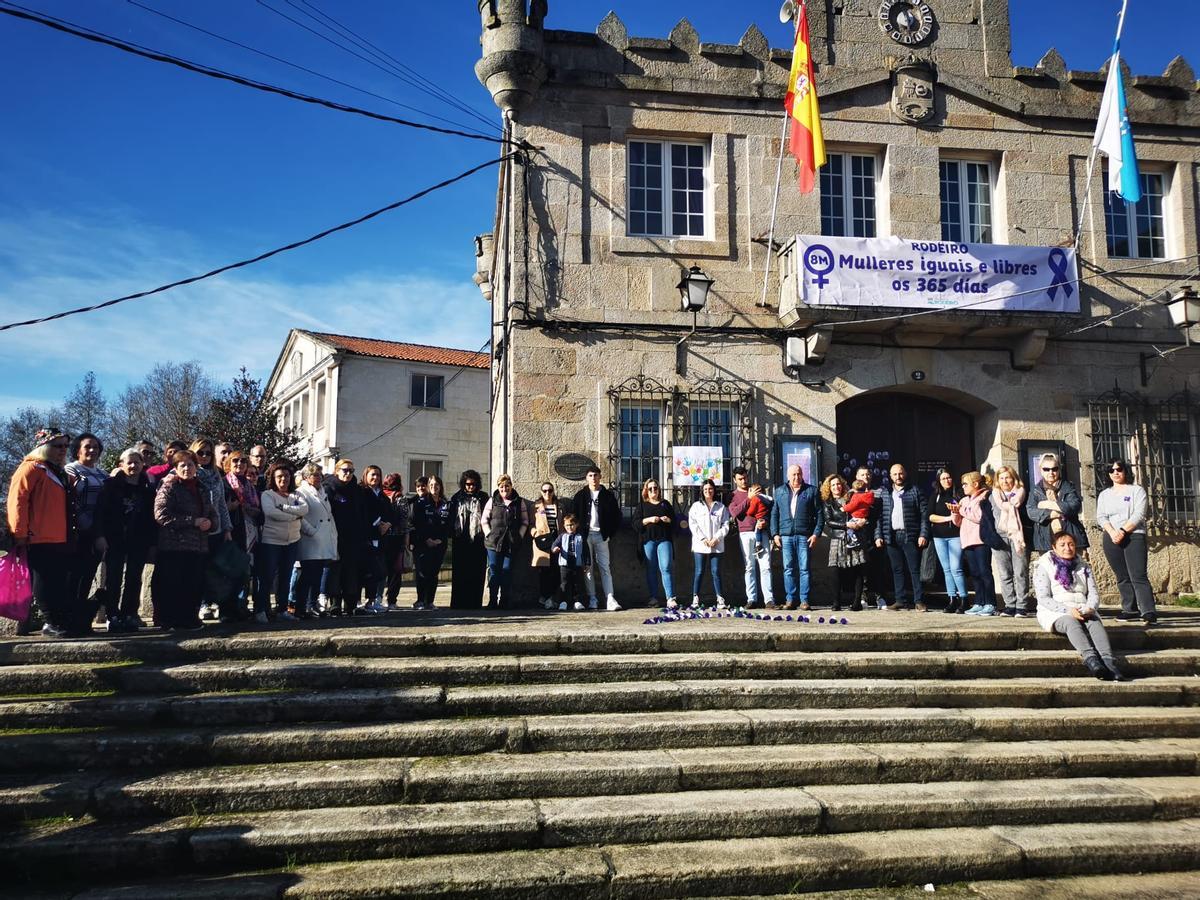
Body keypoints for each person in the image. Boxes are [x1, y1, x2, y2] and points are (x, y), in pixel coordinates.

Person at [6, 429, 80, 637]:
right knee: (44, 581)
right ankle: (50, 621)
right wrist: (19, 532)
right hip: (38, 536)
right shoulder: (30, 468)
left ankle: (59, 619)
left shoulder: (58, 471)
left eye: (66, 446)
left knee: (58, 580)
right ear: (44, 447)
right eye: (58, 446)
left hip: (61, 536)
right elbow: (17, 501)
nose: (63, 450)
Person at [1034, 531, 1128, 681]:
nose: (1067, 548)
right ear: (1054, 547)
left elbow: (1093, 593)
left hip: (1082, 606)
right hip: (1055, 610)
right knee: (1070, 622)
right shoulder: (1044, 566)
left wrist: (1090, 607)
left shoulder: (1083, 566)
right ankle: (1092, 660)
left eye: (1071, 544)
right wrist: (1068, 610)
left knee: (1095, 622)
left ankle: (1109, 663)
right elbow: (1044, 598)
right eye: (1062, 545)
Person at [151, 449, 215, 631]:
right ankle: (170, 621)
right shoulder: (169, 487)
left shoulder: (202, 488)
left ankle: (189, 619)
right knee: (173, 585)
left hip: (198, 546)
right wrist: (192, 521)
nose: (187, 468)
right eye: (182, 465)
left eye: (190, 465)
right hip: (174, 546)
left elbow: (211, 512)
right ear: (176, 468)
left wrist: (211, 523)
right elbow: (161, 515)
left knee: (193, 585)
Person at [96, 448, 156, 633]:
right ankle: (112, 614)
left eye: (136, 462)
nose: (133, 465)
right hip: (115, 538)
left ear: (142, 464)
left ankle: (130, 613)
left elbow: (151, 517)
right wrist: (100, 536)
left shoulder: (147, 488)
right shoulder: (110, 486)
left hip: (139, 539)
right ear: (121, 465)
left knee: (134, 577)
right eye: (129, 462)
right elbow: (101, 513)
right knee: (113, 577)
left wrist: (153, 541)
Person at [1097, 458, 1157, 625]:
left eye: (1119, 469)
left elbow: (1139, 514)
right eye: (1111, 470)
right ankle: (1129, 609)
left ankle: (1148, 611)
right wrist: (1112, 532)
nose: (1115, 472)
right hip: (1111, 537)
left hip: (1133, 535)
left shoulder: (1136, 491)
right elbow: (1101, 517)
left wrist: (1123, 531)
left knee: (1138, 575)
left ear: (1125, 471)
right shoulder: (1104, 495)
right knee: (1122, 576)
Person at [64, 432, 108, 626]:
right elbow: (70, 501)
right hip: (77, 532)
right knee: (73, 575)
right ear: (77, 450)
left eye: (96, 448)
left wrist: (99, 532)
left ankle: (81, 618)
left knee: (88, 575)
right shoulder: (70, 470)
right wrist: (85, 526)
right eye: (87, 447)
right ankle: (68, 618)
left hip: (98, 532)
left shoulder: (103, 474)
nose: (92, 450)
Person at [256, 461, 308, 623]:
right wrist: (294, 515)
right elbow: (271, 513)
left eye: (286, 476)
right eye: (279, 476)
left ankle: (282, 609)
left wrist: (284, 508)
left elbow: (304, 509)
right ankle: (261, 610)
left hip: (292, 541)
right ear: (273, 478)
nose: (283, 479)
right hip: (272, 542)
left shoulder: (297, 495)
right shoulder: (268, 495)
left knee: (285, 577)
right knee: (267, 577)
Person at [874, 463, 929, 611]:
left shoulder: (915, 491)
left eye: (900, 473)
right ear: (890, 476)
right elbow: (879, 517)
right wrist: (878, 535)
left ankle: (919, 601)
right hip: (891, 536)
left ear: (905, 473)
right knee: (896, 569)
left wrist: (923, 534)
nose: (898, 477)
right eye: (895, 474)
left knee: (914, 569)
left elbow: (924, 514)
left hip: (910, 535)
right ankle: (900, 600)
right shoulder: (885, 493)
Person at [771, 464, 824, 611]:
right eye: (793, 474)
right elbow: (774, 514)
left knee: (804, 569)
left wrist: (816, 534)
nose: (796, 477)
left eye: (799, 474)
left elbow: (820, 515)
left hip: (804, 535)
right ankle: (790, 600)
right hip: (786, 536)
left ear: (803, 475)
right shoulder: (779, 491)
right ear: (788, 476)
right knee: (788, 568)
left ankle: (804, 600)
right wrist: (775, 533)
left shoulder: (811, 491)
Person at [191, 438, 233, 622]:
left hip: (217, 530)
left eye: (209, 453)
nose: (205, 456)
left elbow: (222, 504)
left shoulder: (216, 476)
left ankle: (215, 603)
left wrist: (227, 528)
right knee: (199, 569)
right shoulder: (191, 473)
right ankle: (201, 604)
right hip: (198, 530)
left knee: (217, 570)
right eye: (201, 453)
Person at [572, 466, 623, 611]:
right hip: (585, 536)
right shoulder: (580, 496)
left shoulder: (608, 496)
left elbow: (616, 517)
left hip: (602, 536)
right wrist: (579, 535)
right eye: (590, 475)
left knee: (605, 567)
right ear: (586, 478)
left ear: (600, 477)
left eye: (595, 475)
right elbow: (573, 515)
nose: (593, 478)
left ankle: (610, 598)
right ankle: (592, 598)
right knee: (588, 568)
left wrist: (609, 535)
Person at [325, 459, 368, 617]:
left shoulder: (357, 490)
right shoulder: (330, 488)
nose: (348, 473)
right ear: (337, 471)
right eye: (345, 470)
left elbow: (362, 513)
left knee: (352, 572)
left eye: (351, 470)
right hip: (335, 536)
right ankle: (335, 603)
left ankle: (350, 604)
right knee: (335, 570)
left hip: (354, 538)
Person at [295, 463, 338, 618]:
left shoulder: (322, 492)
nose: (319, 478)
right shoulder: (300, 492)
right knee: (307, 576)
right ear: (307, 477)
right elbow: (299, 516)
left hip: (323, 540)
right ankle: (301, 607)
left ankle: (312, 605)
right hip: (310, 540)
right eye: (315, 475)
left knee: (317, 576)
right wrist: (312, 531)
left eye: (320, 475)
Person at [727, 467, 774, 609]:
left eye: (745, 478)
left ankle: (769, 600)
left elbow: (768, 508)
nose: (743, 481)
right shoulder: (732, 496)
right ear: (734, 480)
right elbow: (735, 512)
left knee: (765, 566)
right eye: (740, 479)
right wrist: (748, 498)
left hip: (762, 531)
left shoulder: (757, 490)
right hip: (745, 533)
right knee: (749, 567)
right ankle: (752, 598)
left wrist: (765, 520)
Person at [820, 474, 867, 611]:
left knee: (857, 569)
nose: (836, 487)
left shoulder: (851, 497)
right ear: (829, 487)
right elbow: (829, 521)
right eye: (833, 485)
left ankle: (857, 602)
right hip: (838, 538)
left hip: (854, 537)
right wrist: (846, 525)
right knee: (835, 570)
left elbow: (861, 511)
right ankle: (836, 602)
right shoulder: (828, 503)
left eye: (838, 484)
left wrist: (862, 521)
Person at [954, 471, 998, 616]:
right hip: (967, 541)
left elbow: (979, 517)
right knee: (975, 573)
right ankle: (979, 602)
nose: (963, 487)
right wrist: (955, 512)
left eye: (965, 484)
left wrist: (962, 510)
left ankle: (990, 603)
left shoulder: (985, 496)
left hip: (980, 540)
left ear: (975, 484)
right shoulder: (964, 500)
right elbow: (957, 522)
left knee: (984, 571)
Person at [481, 474, 528, 609]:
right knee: (494, 572)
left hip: (511, 542)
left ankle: (504, 600)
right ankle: (492, 600)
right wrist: (489, 533)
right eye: (501, 486)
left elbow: (525, 521)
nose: (504, 489)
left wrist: (519, 535)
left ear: (511, 486)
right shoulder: (492, 501)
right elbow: (484, 520)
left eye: (507, 486)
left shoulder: (519, 502)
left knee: (507, 571)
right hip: (493, 543)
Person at [1026, 453, 1088, 556]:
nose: (1051, 472)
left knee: (1075, 570)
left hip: (1071, 537)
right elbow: (1031, 511)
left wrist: (1047, 504)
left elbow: (1074, 506)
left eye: (1054, 469)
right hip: (1045, 540)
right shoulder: (1035, 490)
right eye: (1046, 469)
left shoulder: (1068, 486)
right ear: (1041, 470)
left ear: (1059, 469)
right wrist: (1052, 514)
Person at [991, 465, 1033, 617]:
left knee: (1020, 572)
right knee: (1004, 573)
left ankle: (1022, 606)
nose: (1004, 481)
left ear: (1014, 478)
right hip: (1000, 537)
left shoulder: (1023, 494)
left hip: (1019, 538)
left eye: (1007, 477)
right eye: (1001, 478)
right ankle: (1009, 605)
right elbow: (988, 517)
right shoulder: (993, 496)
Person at [928, 468, 968, 614]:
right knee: (946, 569)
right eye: (943, 478)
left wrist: (955, 514)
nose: (947, 480)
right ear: (939, 481)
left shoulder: (958, 494)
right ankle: (952, 599)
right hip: (939, 536)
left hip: (955, 535)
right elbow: (931, 516)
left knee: (956, 568)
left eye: (949, 477)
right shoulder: (935, 496)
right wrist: (947, 519)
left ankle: (964, 598)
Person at [449, 470, 489, 609]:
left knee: (476, 572)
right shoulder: (456, 498)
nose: (470, 487)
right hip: (460, 540)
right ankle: (459, 603)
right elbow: (451, 518)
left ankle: (475, 602)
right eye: (468, 484)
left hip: (478, 541)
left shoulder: (483, 498)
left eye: (473, 484)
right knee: (460, 573)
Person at [637, 478, 679, 609]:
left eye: (655, 488)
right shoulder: (643, 506)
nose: (653, 490)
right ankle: (653, 598)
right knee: (651, 569)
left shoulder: (665, 504)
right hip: (648, 540)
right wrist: (648, 520)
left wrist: (668, 520)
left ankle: (670, 598)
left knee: (666, 567)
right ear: (646, 491)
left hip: (664, 539)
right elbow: (635, 523)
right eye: (650, 489)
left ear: (659, 490)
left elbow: (675, 523)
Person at [688, 479, 730, 608]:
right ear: (702, 491)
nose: (708, 491)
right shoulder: (696, 506)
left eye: (710, 489)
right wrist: (703, 539)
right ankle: (695, 597)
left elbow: (725, 525)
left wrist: (717, 538)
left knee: (716, 571)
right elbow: (693, 524)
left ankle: (720, 598)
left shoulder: (721, 507)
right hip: (701, 544)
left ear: (714, 490)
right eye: (705, 489)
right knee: (699, 571)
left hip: (716, 544)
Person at [411, 474, 451, 609]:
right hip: (423, 543)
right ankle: (420, 600)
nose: (434, 487)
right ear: (428, 487)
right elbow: (417, 523)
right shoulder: (420, 503)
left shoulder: (446, 504)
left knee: (433, 573)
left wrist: (439, 540)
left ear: (441, 487)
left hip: (439, 544)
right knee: (422, 572)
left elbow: (448, 525)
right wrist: (427, 539)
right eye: (432, 485)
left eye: (437, 485)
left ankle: (430, 601)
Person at [359, 465, 394, 614]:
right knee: (368, 571)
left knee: (379, 571)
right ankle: (362, 601)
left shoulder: (382, 495)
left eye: (378, 475)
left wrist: (387, 524)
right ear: (366, 476)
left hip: (381, 538)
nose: (375, 478)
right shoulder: (362, 492)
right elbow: (362, 514)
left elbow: (391, 513)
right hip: (367, 537)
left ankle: (372, 600)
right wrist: (377, 524)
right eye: (372, 475)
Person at [855, 465, 889, 609]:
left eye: (868, 474)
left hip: (874, 534)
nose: (866, 477)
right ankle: (863, 596)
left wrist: (879, 535)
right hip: (857, 536)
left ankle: (879, 596)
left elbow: (880, 517)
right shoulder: (852, 493)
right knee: (861, 568)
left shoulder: (880, 492)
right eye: (862, 475)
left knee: (878, 567)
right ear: (857, 477)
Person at [532, 481, 566, 609]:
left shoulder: (560, 506)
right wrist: (534, 532)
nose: (547, 493)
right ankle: (544, 598)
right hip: (542, 541)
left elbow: (563, 522)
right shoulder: (535, 507)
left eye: (550, 490)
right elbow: (530, 523)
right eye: (545, 491)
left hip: (557, 541)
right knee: (544, 571)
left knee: (556, 570)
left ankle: (554, 598)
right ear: (541, 492)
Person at [381, 474, 412, 610]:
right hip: (397, 538)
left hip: (382, 536)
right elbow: (404, 520)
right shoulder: (401, 498)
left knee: (382, 569)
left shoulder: (381, 496)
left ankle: (376, 598)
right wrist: (406, 539)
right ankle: (391, 600)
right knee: (395, 571)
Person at [552, 513, 590, 611]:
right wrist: (555, 548)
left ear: (577, 525)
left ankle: (577, 601)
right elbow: (554, 545)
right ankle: (563, 602)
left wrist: (587, 563)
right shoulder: (562, 536)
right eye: (568, 525)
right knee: (564, 583)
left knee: (577, 583)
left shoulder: (581, 537)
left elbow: (586, 551)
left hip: (577, 564)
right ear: (564, 526)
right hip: (565, 564)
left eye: (572, 524)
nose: (570, 527)